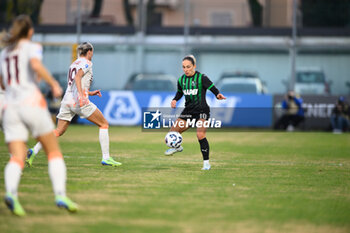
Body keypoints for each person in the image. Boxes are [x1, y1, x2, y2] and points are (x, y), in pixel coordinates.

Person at [0, 15, 78, 216]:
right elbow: (35, 66)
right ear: (30, 31)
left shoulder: (4, 53)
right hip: (31, 103)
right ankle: (60, 195)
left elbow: (3, 83)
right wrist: (52, 83)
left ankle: (11, 193)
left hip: (10, 107)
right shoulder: (32, 47)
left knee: (17, 156)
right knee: (53, 151)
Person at [26, 42, 122, 167]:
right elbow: (77, 78)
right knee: (104, 124)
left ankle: (34, 150)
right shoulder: (87, 63)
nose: (92, 54)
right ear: (89, 52)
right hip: (79, 101)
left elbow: (75, 84)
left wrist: (89, 92)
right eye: (92, 52)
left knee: (58, 131)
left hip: (67, 100)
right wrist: (82, 96)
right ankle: (106, 158)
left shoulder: (74, 63)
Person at [164, 55, 226, 170]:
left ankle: (206, 163)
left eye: (188, 67)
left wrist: (218, 94)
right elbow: (179, 93)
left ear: (194, 66)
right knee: (172, 132)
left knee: (200, 135)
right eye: (183, 67)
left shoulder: (202, 78)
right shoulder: (181, 80)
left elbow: (212, 88)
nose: (186, 69)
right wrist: (174, 100)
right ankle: (177, 147)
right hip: (188, 111)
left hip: (202, 111)